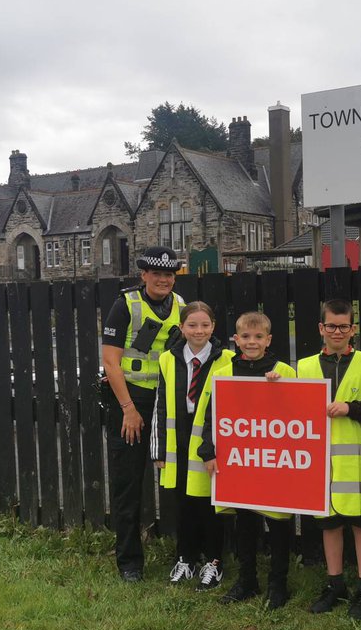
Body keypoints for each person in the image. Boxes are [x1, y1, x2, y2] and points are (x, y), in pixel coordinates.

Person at [199, 311, 298, 610]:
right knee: (244, 521)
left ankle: (278, 584)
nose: (251, 342)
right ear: (236, 339)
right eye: (245, 336)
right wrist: (208, 450)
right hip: (239, 461)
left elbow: (299, 414)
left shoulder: (284, 371)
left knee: (278, 522)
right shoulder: (223, 372)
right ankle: (247, 580)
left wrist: (280, 388)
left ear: (269, 340)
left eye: (258, 337)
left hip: (276, 461)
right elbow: (211, 414)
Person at [100, 246, 185, 582]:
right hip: (131, 399)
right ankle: (129, 562)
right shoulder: (125, 305)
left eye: (169, 274)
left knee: (178, 479)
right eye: (157, 273)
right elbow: (111, 362)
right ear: (144, 275)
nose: (163, 279)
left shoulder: (181, 306)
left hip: (167, 401)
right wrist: (128, 410)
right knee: (128, 483)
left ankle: (185, 554)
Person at [298, 299, 361, 621]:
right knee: (330, 525)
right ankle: (334, 584)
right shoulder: (304, 367)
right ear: (321, 328)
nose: (337, 332)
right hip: (321, 463)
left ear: (353, 329)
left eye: (344, 326)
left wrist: (351, 408)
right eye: (332, 326)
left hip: (358, 462)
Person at [151, 301, 232, 591]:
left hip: (212, 442)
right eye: (192, 325)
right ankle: (185, 558)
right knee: (183, 503)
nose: (199, 330)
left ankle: (214, 561)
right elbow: (161, 405)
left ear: (213, 327)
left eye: (205, 325)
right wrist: (159, 449)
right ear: (182, 327)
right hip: (179, 439)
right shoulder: (167, 359)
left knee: (211, 504)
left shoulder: (227, 358)